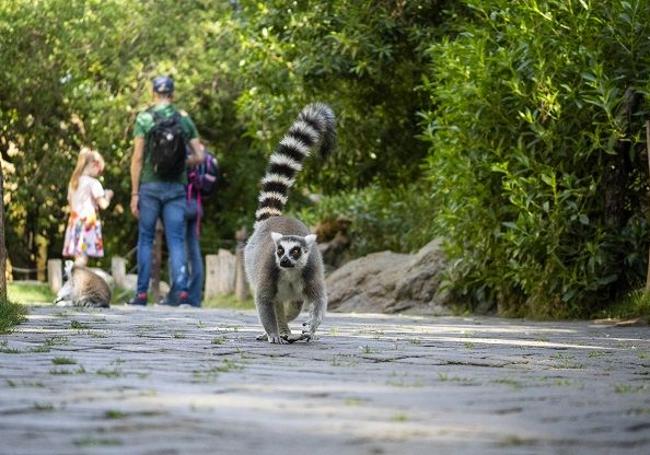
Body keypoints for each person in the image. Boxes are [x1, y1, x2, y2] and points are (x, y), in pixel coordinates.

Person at [128, 75, 204, 306]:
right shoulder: (183, 120)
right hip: (176, 188)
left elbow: (138, 158)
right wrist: (182, 163)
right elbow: (200, 156)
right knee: (177, 240)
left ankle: (141, 294)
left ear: (153, 93)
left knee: (146, 239)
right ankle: (181, 293)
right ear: (172, 94)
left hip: (150, 187)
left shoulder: (145, 118)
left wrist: (134, 193)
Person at [62, 147, 113, 267]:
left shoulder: (74, 182)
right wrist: (108, 195)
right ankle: (75, 280)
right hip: (87, 225)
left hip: (75, 222)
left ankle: (76, 280)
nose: (98, 174)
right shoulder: (93, 183)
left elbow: (71, 204)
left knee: (79, 256)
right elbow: (103, 204)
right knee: (82, 258)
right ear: (95, 165)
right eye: (99, 170)